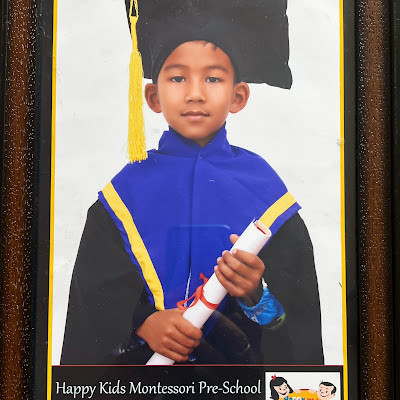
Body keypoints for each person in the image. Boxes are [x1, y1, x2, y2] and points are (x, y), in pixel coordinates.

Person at [61, 0, 324, 365]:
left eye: (213, 78)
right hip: (145, 385)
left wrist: (256, 295)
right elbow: (91, 308)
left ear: (238, 96)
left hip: (234, 384)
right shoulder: (122, 197)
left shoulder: (267, 197)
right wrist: (144, 323)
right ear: (153, 97)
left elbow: (297, 331)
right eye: (177, 78)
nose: (195, 93)